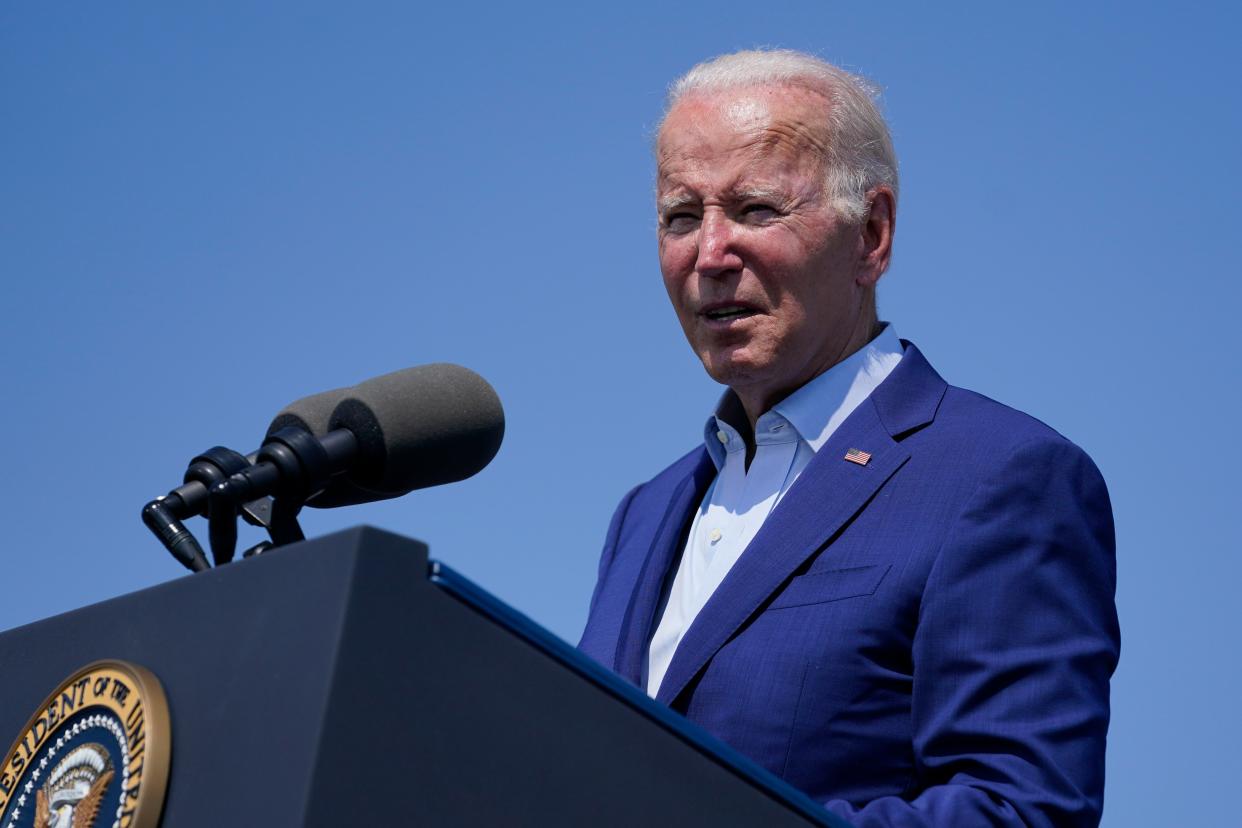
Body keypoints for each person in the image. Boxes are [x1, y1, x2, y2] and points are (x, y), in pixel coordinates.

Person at [578, 49, 1119, 827]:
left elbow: (1020, 810)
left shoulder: (1000, 476)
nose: (710, 253)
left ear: (871, 235)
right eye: (681, 216)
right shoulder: (646, 513)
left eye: (757, 209)